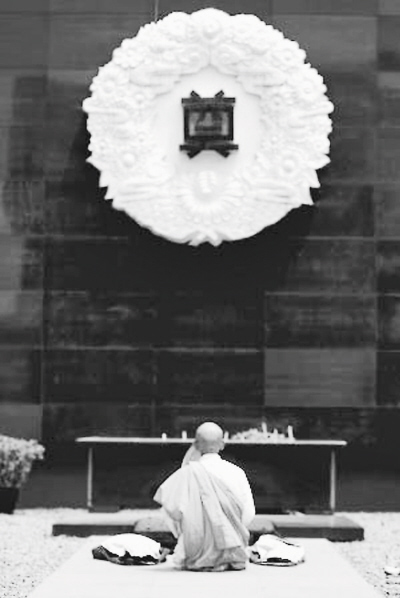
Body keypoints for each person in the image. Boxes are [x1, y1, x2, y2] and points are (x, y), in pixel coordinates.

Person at [153, 421, 256, 572]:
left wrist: (189, 532)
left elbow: (172, 512)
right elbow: (249, 513)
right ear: (222, 444)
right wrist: (230, 529)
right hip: (233, 548)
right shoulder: (237, 472)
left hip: (194, 551)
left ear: (196, 445)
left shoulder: (186, 474)